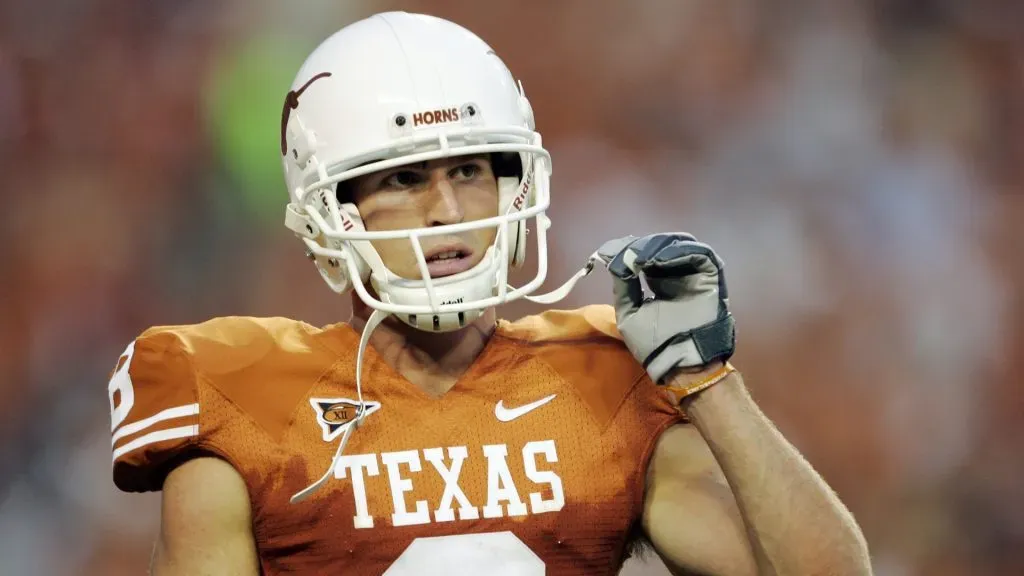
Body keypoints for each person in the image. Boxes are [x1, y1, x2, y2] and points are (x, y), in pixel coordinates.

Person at [106, 11, 871, 576]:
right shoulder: (238, 401)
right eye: (404, 178)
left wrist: (710, 385)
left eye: (470, 171)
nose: (448, 210)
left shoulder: (601, 384)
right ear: (327, 212)